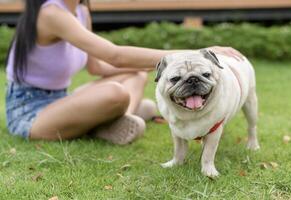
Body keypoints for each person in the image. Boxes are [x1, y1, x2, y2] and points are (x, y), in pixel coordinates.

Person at [5, 0, 243, 144]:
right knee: (115, 93)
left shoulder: (81, 11)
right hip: (30, 113)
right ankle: (122, 114)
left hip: (60, 99)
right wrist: (193, 54)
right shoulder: (50, 13)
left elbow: (96, 66)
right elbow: (114, 56)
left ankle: (118, 118)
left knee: (136, 74)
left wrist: (137, 72)